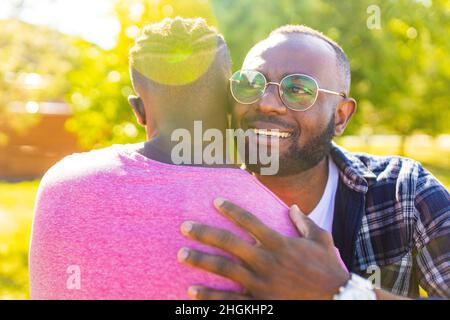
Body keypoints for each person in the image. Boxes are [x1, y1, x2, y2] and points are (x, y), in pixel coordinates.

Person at [29, 18, 346, 299]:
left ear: (138, 110)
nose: (268, 104)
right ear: (229, 100)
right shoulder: (283, 240)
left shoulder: (61, 185)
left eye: (300, 90)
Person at [178, 25, 450, 299]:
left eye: (297, 88)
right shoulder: (197, 203)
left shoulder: (403, 192)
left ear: (341, 116)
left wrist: (339, 291)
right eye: (251, 84)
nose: (266, 103)